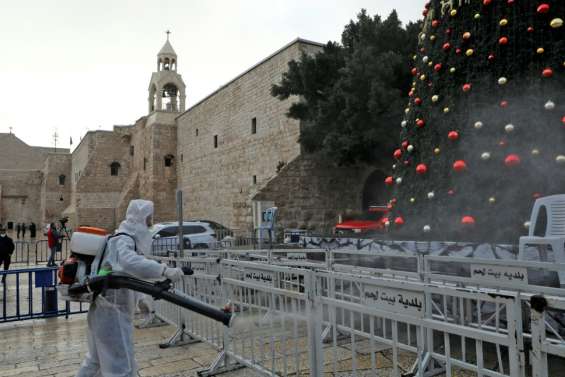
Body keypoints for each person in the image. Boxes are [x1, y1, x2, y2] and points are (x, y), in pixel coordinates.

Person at [76, 199, 184, 377]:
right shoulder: (123, 240)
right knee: (119, 368)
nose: (150, 223)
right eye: (149, 218)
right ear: (140, 218)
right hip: (112, 314)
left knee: (95, 363)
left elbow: (125, 274)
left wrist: (142, 299)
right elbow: (130, 263)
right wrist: (164, 270)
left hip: (105, 310)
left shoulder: (120, 239)